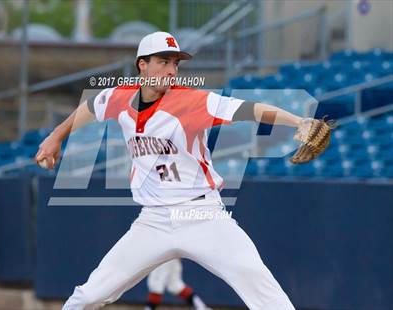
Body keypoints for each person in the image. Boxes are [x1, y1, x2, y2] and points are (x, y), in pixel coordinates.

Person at [36, 31, 302, 309]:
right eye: (163, 61)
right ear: (142, 64)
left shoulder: (192, 101)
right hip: (153, 221)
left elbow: (252, 109)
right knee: (89, 295)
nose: (171, 70)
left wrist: (298, 121)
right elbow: (91, 106)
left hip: (202, 215)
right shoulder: (118, 97)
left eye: (175, 64)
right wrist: (56, 135)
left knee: (262, 288)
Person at [144, 259, 211, 310]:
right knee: (176, 286)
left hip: (164, 258)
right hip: (173, 258)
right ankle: (201, 307)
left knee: (156, 287)